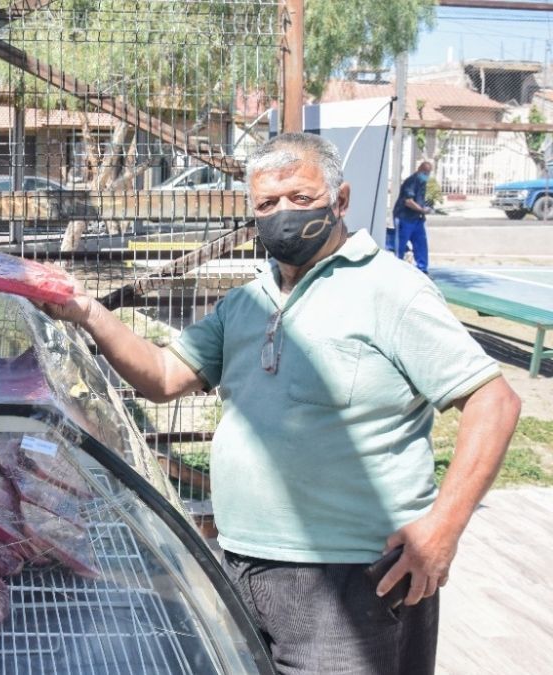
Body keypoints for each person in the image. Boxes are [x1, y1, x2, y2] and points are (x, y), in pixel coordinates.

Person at [38, 133, 520, 675]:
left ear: (340, 200)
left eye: (300, 197)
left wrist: (442, 529)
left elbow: (493, 401)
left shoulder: (391, 290)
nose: (283, 214)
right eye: (267, 204)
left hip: (351, 579)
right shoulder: (247, 301)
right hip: (242, 562)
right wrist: (84, 309)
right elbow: (165, 375)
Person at [392, 160, 435, 272]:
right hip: (404, 217)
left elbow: (421, 199)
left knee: (421, 244)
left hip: (417, 219)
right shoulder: (411, 181)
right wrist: (421, 210)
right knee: (400, 245)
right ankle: (397, 269)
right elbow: (408, 201)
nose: (426, 175)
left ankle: (423, 269)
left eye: (428, 173)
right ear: (419, 170)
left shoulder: (423, 183)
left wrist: (427, 208)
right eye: (425, 172)